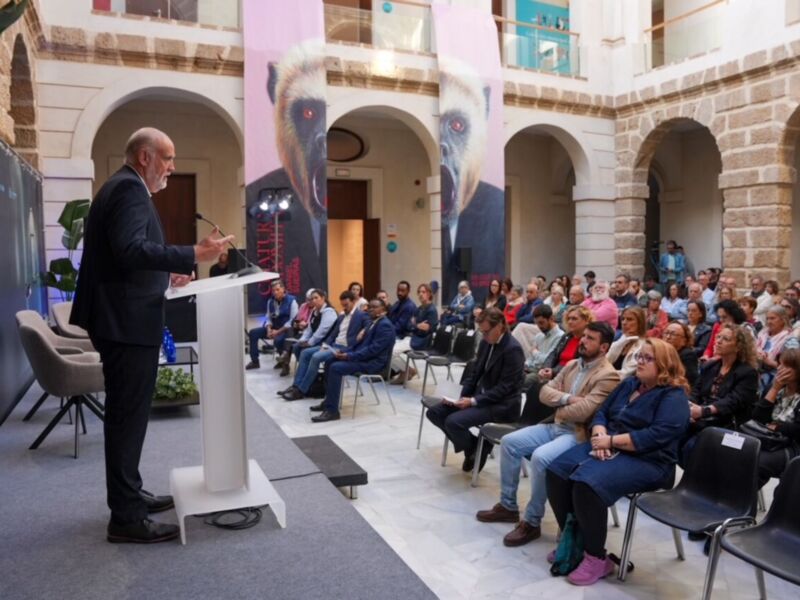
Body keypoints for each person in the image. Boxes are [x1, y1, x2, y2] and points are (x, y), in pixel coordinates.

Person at [70, 127, 232, 543]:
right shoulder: (128, 191)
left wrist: (166, 273)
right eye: (167, 158)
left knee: (130, 417)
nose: (172, 168)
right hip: (124, 326)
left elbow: (128, 256)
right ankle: (125, 518)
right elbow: (129, 249)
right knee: (126, 419)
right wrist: (193, 253)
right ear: (145, 157)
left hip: (124, 320)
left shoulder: (125, 187)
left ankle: (131, 495)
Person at [546, 339, 690, 586]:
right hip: (610, 442)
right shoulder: (630, 382)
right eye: (639, 356)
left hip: (650, 461)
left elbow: (656, 436)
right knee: (557, 471)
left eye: (647, 358)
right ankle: (575, 541)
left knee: (586, 484)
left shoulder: (673, 396)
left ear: (665, 365)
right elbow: (602, 411)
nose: (639, 362)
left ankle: (596, 558)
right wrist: (600, 433)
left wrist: (611, 441)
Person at [475, 322, 620, 547]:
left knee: (541, 457)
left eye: (590, 338)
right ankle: (508, 506)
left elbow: (585, 411)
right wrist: (567, 399)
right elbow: (545, 391)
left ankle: (532, 522)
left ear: (604, 348)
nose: (582, 340)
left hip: (578, 434)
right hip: (555, 425)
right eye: (584, 336)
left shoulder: (609, 376)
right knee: (510, 442)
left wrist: (558, 403)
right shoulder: (573, 364)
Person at [426, 308, 524, 473]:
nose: (484, 336)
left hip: (502, 405)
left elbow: (505, 388)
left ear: (499, 326)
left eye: (486, 332)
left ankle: (476, 448)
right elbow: (475, 373)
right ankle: (476, 447)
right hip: (482, 396)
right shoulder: (487, 342)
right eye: (482, 332)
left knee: (453, 422)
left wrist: (472, 401)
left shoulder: (513, 349)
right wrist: (459, 396)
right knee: (435, 412)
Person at [682, 323, 759, 464]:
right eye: (718, 337)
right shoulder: (710, 366)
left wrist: (703, 411)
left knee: (691, 447)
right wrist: (689, 406)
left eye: (726, 339)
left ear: (738, 347)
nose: (718, 341)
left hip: (727, 424)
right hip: (702, 418)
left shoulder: (747, 373)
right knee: (670, 435)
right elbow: (696, 391)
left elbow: (733, 401)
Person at [310, 298, 396, 422]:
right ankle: (329, 401)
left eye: (374, 307)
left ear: (383, 310)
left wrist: (349, 356)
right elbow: (359, 345)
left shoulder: (385, 325)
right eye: (369, 306)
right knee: (329, 362)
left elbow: (373, 350)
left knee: (336, 368)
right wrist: (345, 352)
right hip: (365, 358)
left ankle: (332, 411)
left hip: (373, 363)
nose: (370, 309)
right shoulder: (374, 322)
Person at [279, 290, 368, 400]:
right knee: (305, 353)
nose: (345, 308)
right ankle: (296, 386)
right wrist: (325, 345)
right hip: (333, 345)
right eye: (343, 305)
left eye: (347, 305)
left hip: (345, 348)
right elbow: (333, 334)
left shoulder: (361, 315)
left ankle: (301, 390)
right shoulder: (341, 316)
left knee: (316, 357)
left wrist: (363, 330)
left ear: (353, 302)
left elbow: (371, 325)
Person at [752, 349, 800, 489]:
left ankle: (740, 504)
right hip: (769, 438)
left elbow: (798, 430)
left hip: (793, 445)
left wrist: (777, 426)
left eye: (786, 366)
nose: (779, 368)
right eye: (779, 364)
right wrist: (774, 389)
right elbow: (758, 417)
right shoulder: (775, 388)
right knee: (737, 451)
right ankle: (729, 498)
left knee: (756, 462)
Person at [389, 283, 438, 384]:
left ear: (429, 294)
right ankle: (406, 371)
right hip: (411, 337)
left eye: (423, 292)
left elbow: (426, 330)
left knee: (392, 351)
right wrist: (417, 326)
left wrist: (415, 326)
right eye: (419, 292)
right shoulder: (419, 308)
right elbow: (408, 325)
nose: (420, 294)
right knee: (387, 347)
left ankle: (407, 371)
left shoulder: (432, 310)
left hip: (420, 341)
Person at [283, 289, 337, 376]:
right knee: (296, 347)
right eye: (312, 299)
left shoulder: (329, 312)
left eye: (316, 298)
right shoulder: (314, 311)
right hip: (312, 338)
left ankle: (306, 376)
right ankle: (306, 371)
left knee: (305, 352)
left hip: (325, 343)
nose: (313, 301)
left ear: (323, 298)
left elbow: (321, 331)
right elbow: (309, 329)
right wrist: (302, 340)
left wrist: (309, 343)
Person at [246, 279, 298, 370]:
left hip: (286, 329)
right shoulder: (270, 301)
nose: (275, 292)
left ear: (283, 289)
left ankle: (285, 364)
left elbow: (292, 321)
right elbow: (268, 317)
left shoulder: (292, 301)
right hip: (274, 327)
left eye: (277, 290)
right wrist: (269, 329)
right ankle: (255, 361)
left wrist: (277, 332)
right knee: (253, 333)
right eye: (273, 290)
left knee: (278, 340)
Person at [520, 305, 564, 386]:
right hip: (530, 369)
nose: (539, 326)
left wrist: (534, 352)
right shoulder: (539, 336)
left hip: (542, 372)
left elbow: (548, 360)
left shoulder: (560, 337)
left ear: (551, 319)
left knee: (520, 382)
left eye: (541, 322)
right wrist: (525, 365)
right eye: (537, 323)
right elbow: (530, 359)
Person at [755, 306, 793, 392]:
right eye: (767, 318)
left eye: (772, 318)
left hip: (774, 377)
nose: (769, 322)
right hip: (756, 371)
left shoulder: (789, 339)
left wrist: (769, 362)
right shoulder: (763, 333)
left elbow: (790, 367)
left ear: (783, 320)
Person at [606, 306, 646, 378]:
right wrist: (623, 341)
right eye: (623, 319)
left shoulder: (643, 346)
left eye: (629, 319)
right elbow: (605, 360)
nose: (624, 322)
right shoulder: (620, 339)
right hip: (606, 378)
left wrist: (601, 375)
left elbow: (625, 374)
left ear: (640, 323)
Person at [663, 321, 699, 386]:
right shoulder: (660, 351)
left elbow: (688, 380)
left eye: (673, 334)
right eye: (666, 333)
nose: (668, 337)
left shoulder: (688, 355)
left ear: (684, 341)